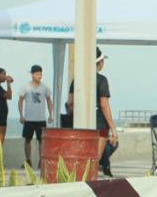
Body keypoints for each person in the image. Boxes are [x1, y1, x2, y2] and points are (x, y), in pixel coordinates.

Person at [66, 49, 117, 177]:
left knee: (81, 160)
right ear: (99, 63)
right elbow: (104, 105)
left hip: (80, 124)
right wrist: (113, 129)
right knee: (94, 161)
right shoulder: (102, 80)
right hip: (100, 125)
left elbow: (70, 104)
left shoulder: (77, 79)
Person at [20, 65, 54, 167]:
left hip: (41, 119)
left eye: (40, 74)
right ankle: (28, 160)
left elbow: (49, 101)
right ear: (32, 74)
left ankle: (41, 161)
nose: (39, 76)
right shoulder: (25, 87)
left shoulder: (45, 87)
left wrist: (50, 114)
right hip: (29, 119)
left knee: (41, 140)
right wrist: (21, 115)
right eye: (37, 74)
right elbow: (20, 101)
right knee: (27, 140)